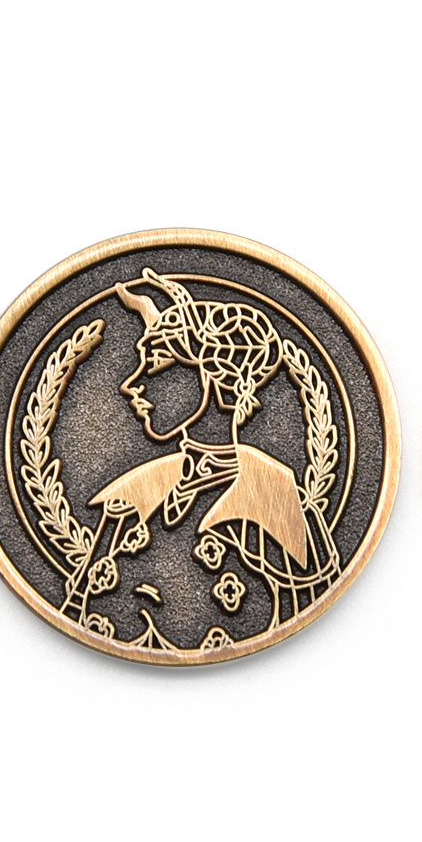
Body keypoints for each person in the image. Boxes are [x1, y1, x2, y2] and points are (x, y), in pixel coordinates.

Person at [62, 268, 340, 630]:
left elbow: (301, 624)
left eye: (156, 363)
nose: (132, 384)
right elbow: (79, 614)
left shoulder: (276, 501)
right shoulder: (129, 498)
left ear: (215, 377)